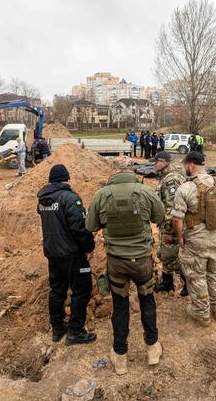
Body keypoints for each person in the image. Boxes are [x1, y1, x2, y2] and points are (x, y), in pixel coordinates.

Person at [85, 158, 165, 375]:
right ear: (131, 170)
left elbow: (90, 226)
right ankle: (152, 349)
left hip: (116, 263)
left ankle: (120, 357)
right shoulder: (145, 191)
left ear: (113, 172)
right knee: (147, 301)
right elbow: (160, 216)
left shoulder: (101, 194)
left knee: (120, 307)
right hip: (142, 261)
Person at [37, 164, 97, 345]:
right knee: (82, 290)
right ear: (66, 179)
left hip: (52, 252)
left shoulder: (43, 199)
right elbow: (80, 227)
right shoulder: (70, 198)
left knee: (57, 290)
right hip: (72, 254)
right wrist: (89, 247)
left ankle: (57, 328)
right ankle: (75, 332)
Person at [171, 151, 216, 326]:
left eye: (185, 165)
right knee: (215, 273)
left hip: (195, 242)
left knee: (196, 276)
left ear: (191, 165)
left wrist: (180, 237)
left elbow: (177, 218)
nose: (185, 168)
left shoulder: (185, 188)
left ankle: (202, 314)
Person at [152, 151, 188, 295]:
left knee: (169, 256)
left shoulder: (171, 179)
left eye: (157, 162)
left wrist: (170, 230)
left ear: (164, 162)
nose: (155, 165)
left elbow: (174, 207)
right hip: (167, 224)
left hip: (171, 225)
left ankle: (189, 282)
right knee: (165, 253)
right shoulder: (167, 176)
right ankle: (167, 283)